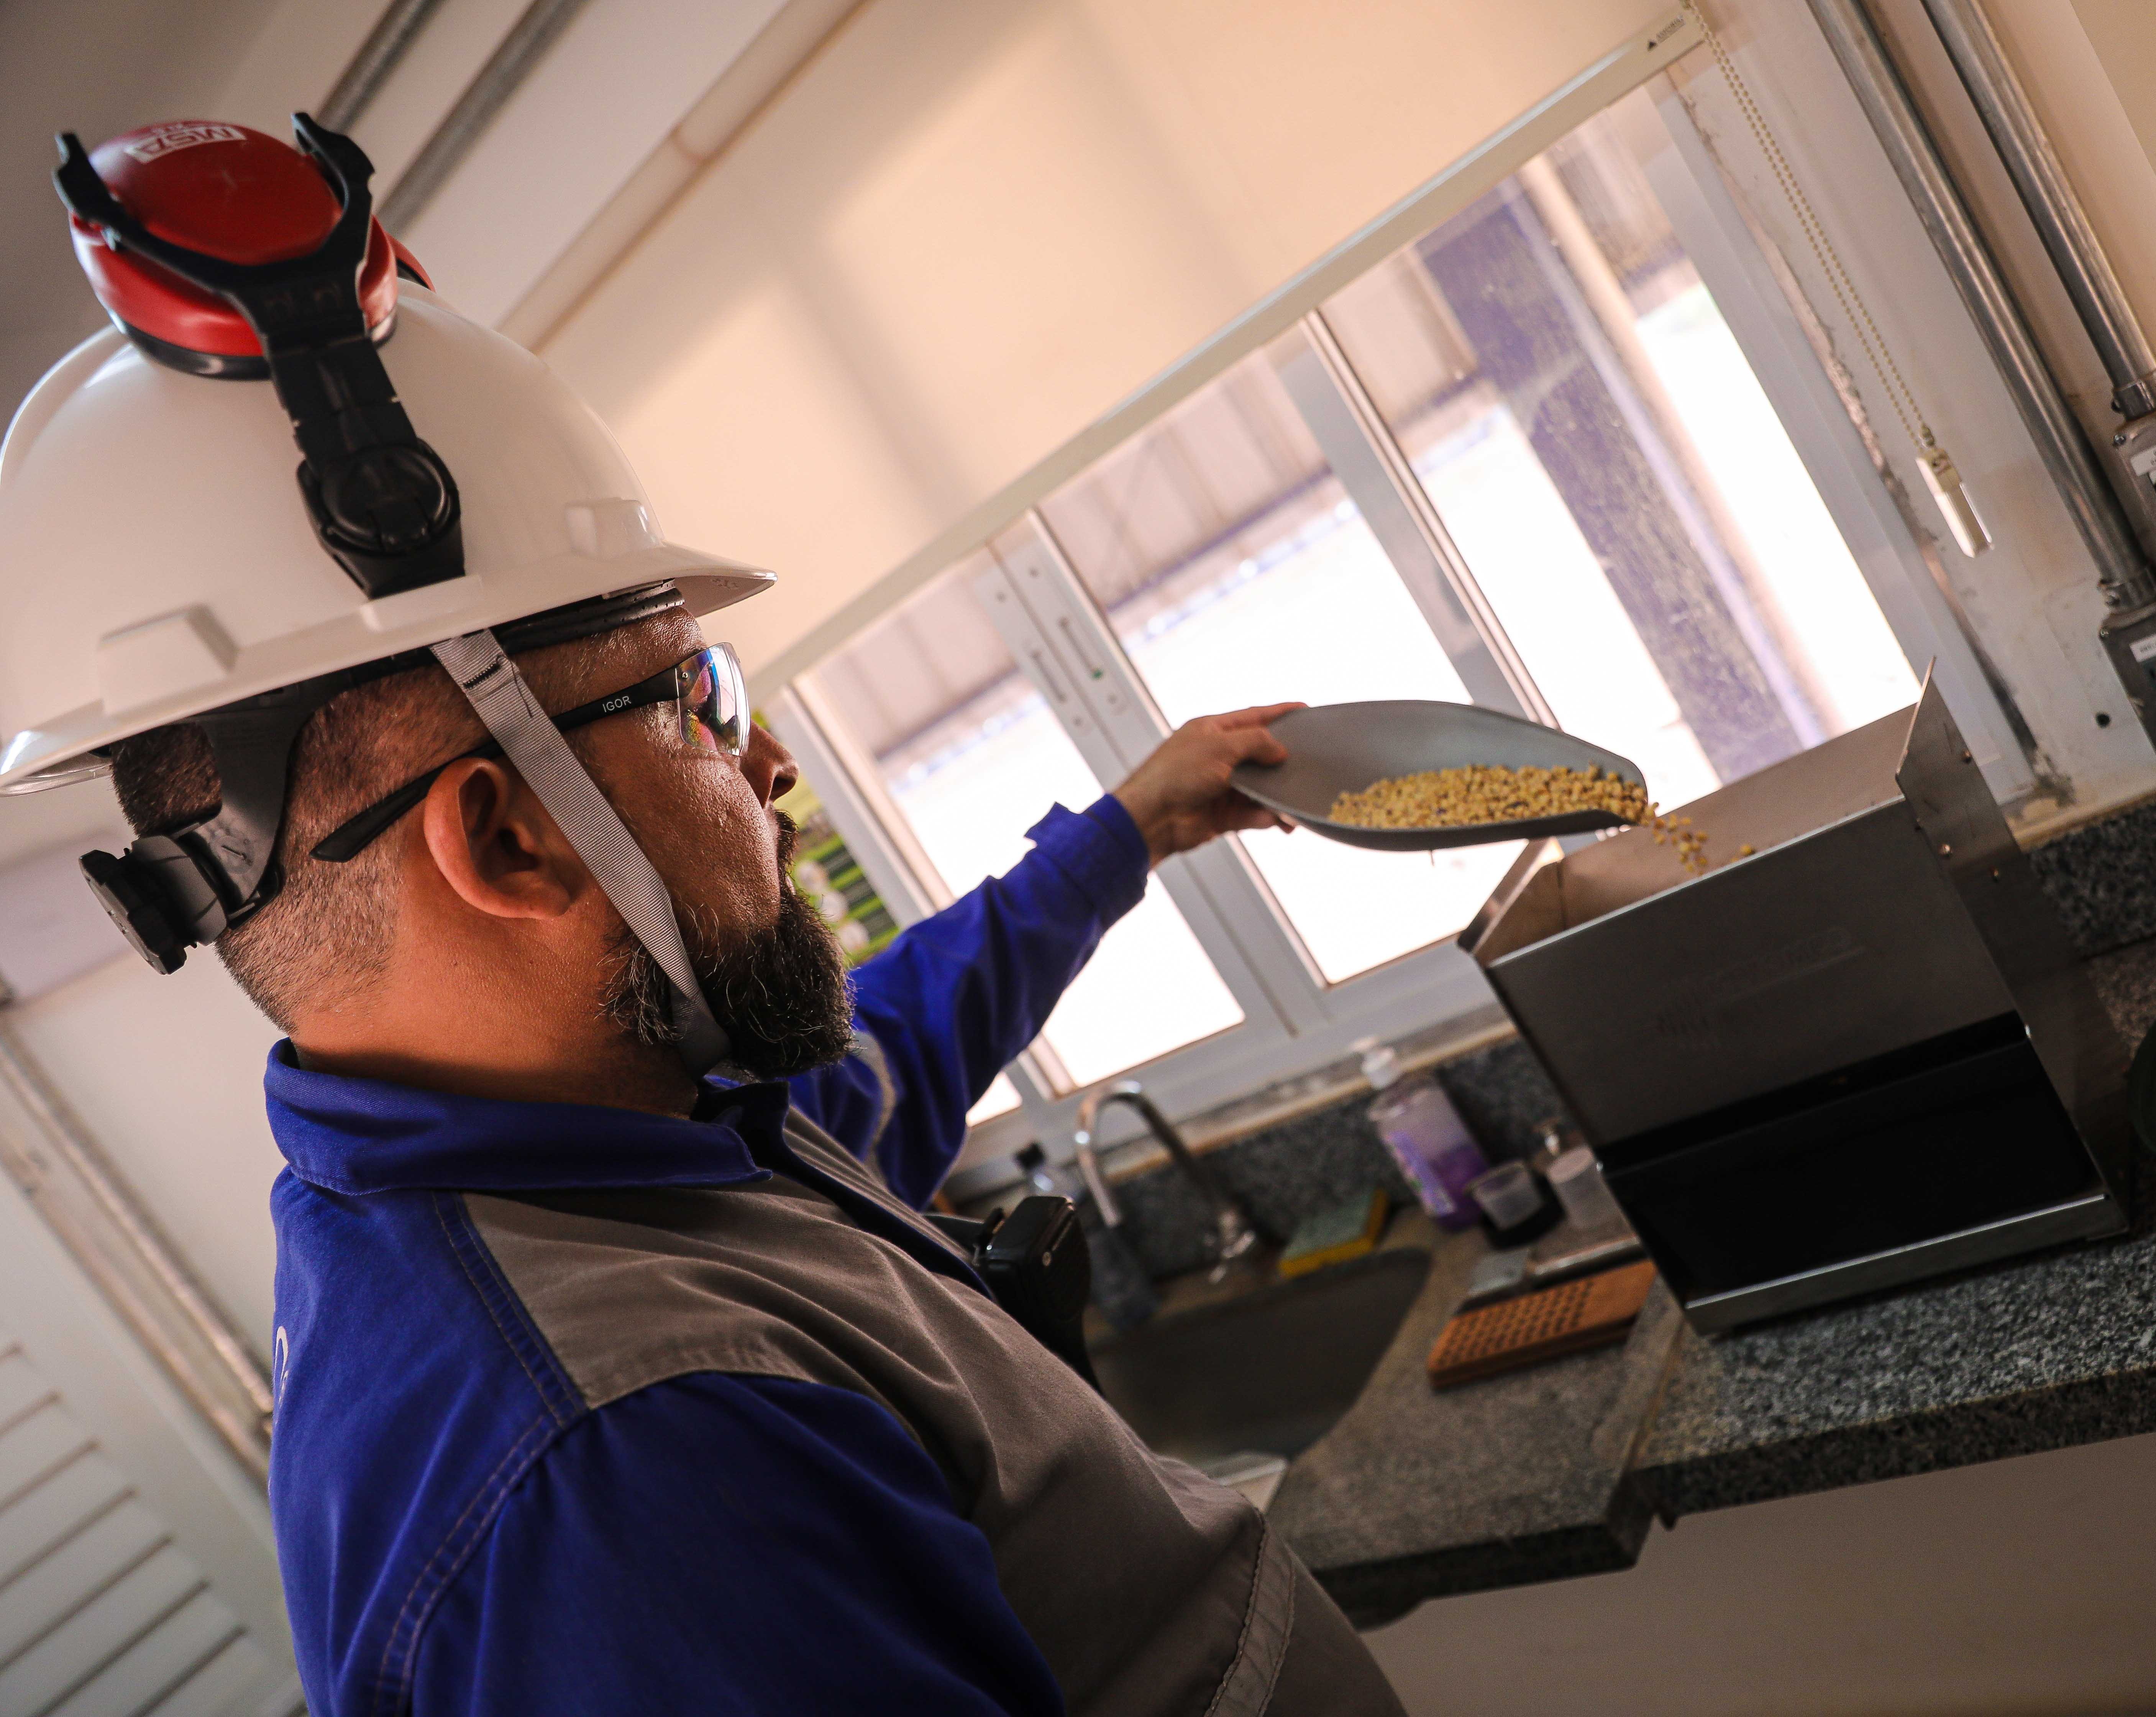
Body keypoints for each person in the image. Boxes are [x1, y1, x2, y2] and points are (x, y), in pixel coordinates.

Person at [2, 117, 1408, 1715]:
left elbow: (882, 1056)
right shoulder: (627, 1467)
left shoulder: (637, 1142)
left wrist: (1132, 827)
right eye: (693, 698)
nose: (772, 759)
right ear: (508, 837)